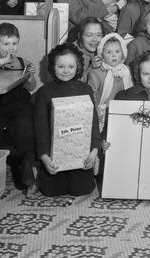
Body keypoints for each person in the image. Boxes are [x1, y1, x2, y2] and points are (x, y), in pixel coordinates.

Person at [34, 43, 100, 197]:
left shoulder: (86, 89)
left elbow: (94, 122)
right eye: (61, 66)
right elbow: (40, 127)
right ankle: (38, 167)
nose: (66, 71)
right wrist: (44, 157)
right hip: (54, 154)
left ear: (78, 67)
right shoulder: (44, 92)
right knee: (52, 191)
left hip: (80, 154)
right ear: (53, 67)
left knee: (82, 189)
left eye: (71, 67)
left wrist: (94, 151)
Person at [0, 22, 37, 191]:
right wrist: (2, 60)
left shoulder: (23, 62)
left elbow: (31, 87)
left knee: (25, 127)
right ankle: (0, 166)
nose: (11, 48)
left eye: (14, 44)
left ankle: (24, 164)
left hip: (19, 104)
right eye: (6, 44)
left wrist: (29, 77)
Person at [87, 33, 133, 133]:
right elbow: (92, 96)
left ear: (123, 53)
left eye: (117, 51)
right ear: (101, 55)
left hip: (123, 111)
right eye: (108, 52)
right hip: (103, 113)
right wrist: (95, 113)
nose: (114, 55)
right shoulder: (95, 73)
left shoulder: (127, 71)